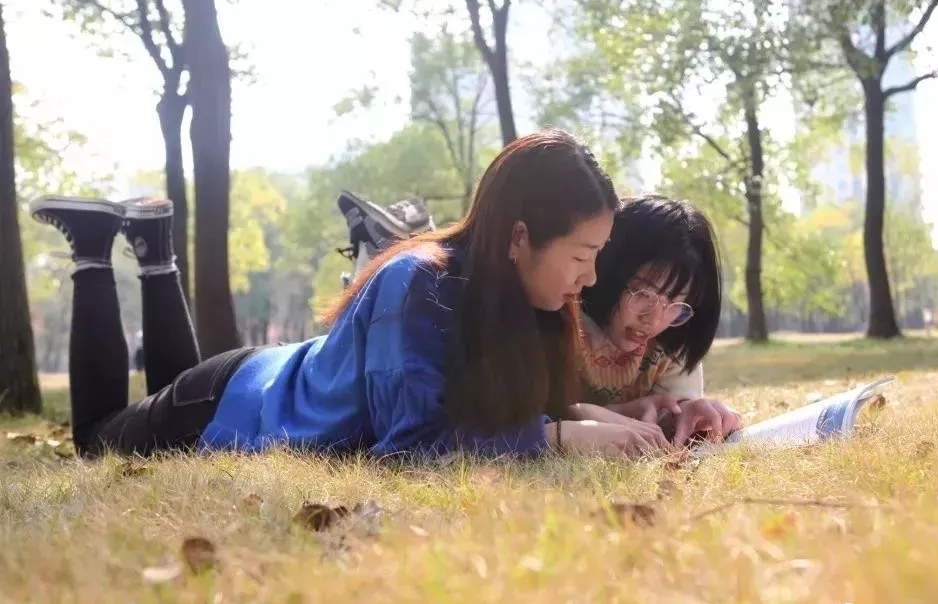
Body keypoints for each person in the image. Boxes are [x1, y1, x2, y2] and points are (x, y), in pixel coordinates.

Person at [30, 129, 669, 460]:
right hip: (235, 400)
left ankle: (154, 248)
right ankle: (92, 249)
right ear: (520, 237)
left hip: (264, 378)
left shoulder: (526, 297)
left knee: (159, 397)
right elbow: (413, 445)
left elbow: (518, 409)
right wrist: (561, 437)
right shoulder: (418, 280)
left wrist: (611, 421)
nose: (591, 278)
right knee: (97, 441)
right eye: (581, 257)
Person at [576, 195, 742, 446]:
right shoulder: (567, 319)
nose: (653, 320)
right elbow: (536, 419)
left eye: (676, 304)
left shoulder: (674, 341)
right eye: (643, 293)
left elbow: (672, 419)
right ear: (609, 270)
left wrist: (688, 412)